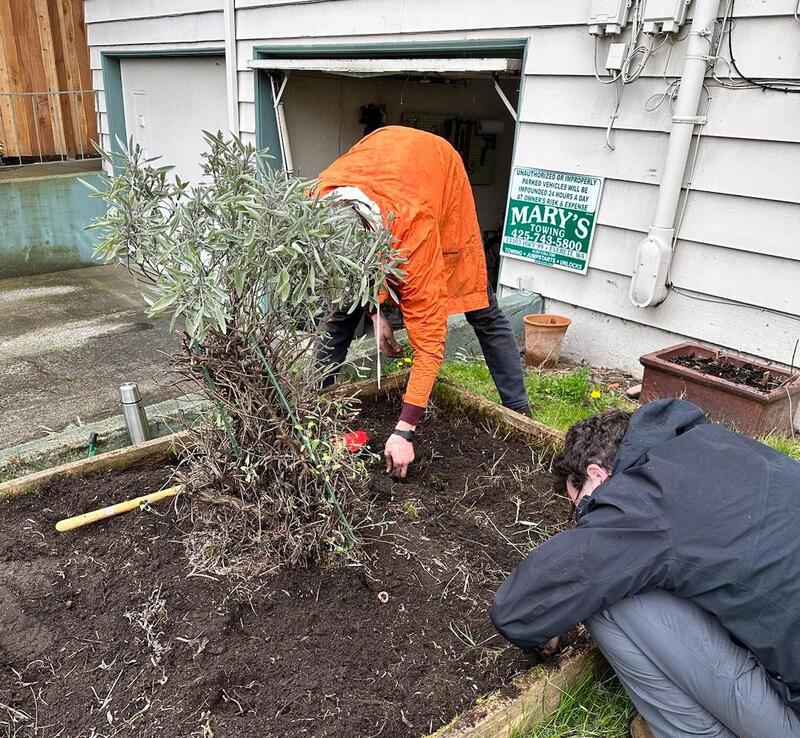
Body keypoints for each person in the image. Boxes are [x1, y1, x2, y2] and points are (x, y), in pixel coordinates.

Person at [491, 399, 800, 738]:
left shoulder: (643, 499)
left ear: (596, 474)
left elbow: (517, 610)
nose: (586, 519)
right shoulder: (714, 444)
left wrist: (547, 623)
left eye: (580, 507)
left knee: (610, 599)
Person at [314, 126, 529, 478]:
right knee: (339, 315)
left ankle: (519, 412)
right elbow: (357, 273)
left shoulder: (414, 237)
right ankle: (313, 411)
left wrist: (404, 430)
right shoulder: (319, 204)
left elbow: (429, 345)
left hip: (438, 174)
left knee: (480, 308)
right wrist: (376, 312)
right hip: (385, 154)